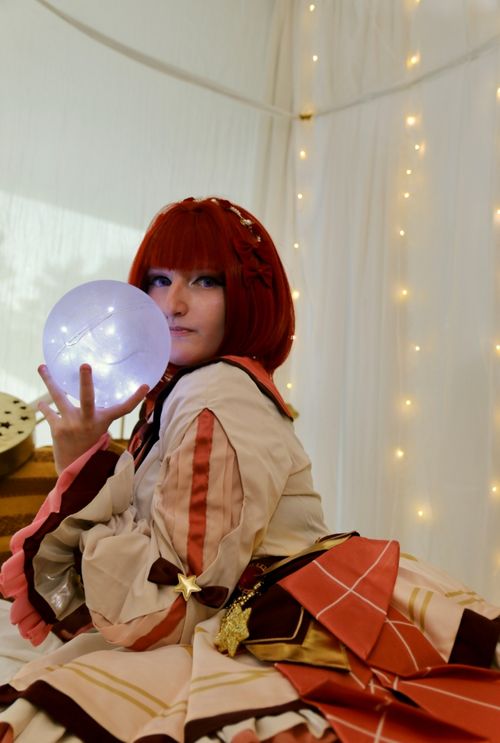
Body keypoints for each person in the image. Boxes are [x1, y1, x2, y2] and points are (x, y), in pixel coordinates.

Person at [0, 196, 498, 743]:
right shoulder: (187, 392)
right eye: (160, 280)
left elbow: (168, 609)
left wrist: (86, 465)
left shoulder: (216, 394)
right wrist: (83, 457)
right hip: (243, 613)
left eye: (205, 281)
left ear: (246, 292)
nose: (173, 304)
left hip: (248, 625)